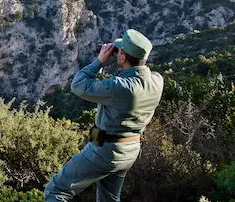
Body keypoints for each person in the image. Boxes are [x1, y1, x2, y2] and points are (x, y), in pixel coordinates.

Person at [44, 29, 164, 202]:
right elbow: (140, 72)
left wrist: (99, 62)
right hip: (130, 150)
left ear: (122, 57)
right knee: (109, 199)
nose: (117, 55)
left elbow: (78, 85)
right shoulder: (157, 80)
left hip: (106, 151)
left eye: (119, 51)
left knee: (57, 190)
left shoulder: (120, 86)